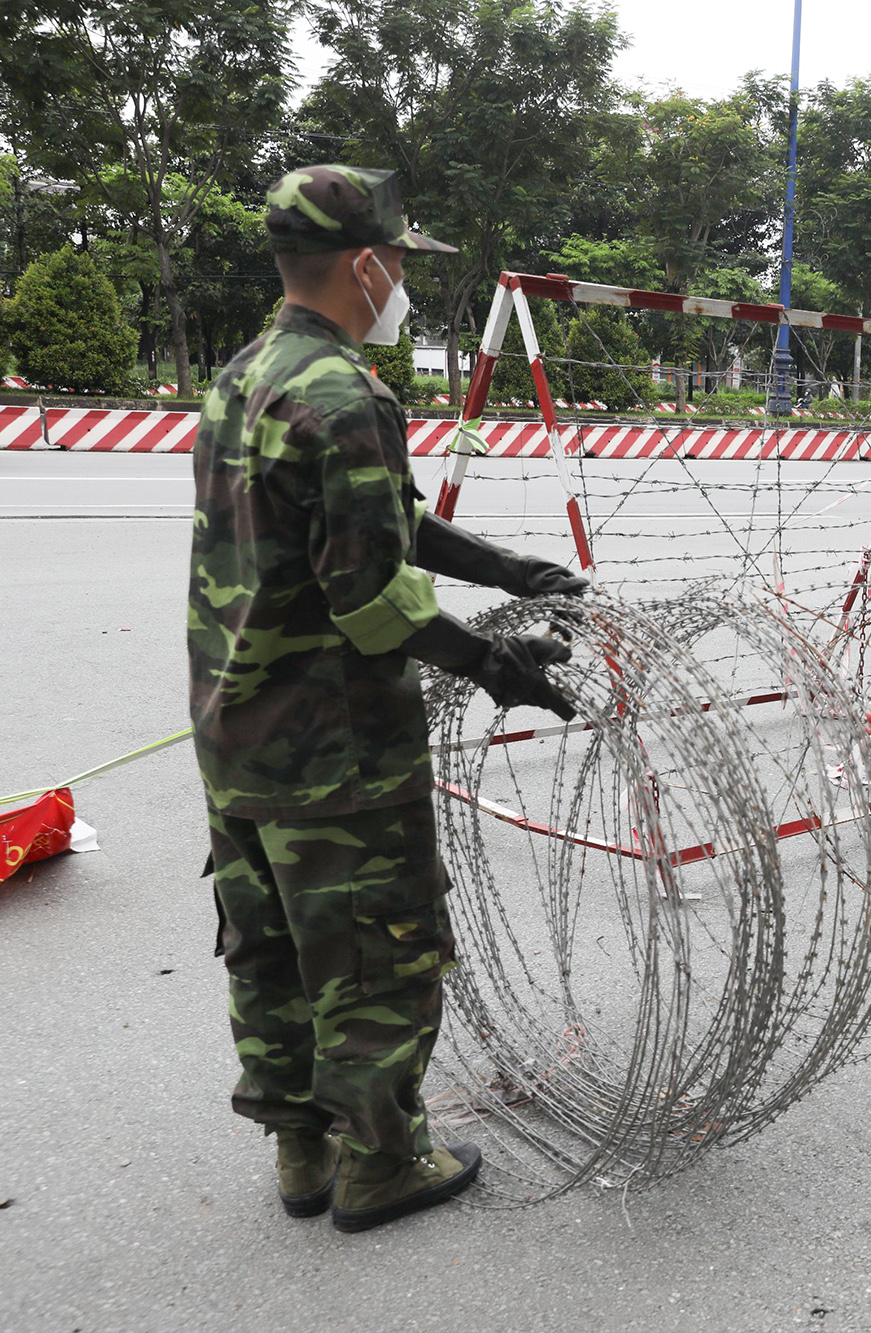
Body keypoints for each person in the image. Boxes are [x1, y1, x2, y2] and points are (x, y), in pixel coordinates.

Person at [190, 165, 586, 1233]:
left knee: (269, 940)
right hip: (333, 743)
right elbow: (370, 593)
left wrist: (512, 570)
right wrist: (500, 665)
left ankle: (301, 1150)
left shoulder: (244, 376)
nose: (404, 276)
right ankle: (384, 1163)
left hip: (236, 729)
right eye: (402, 259)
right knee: (371, 949)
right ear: (365, 263)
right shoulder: (343, 392)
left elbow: (381, 522)